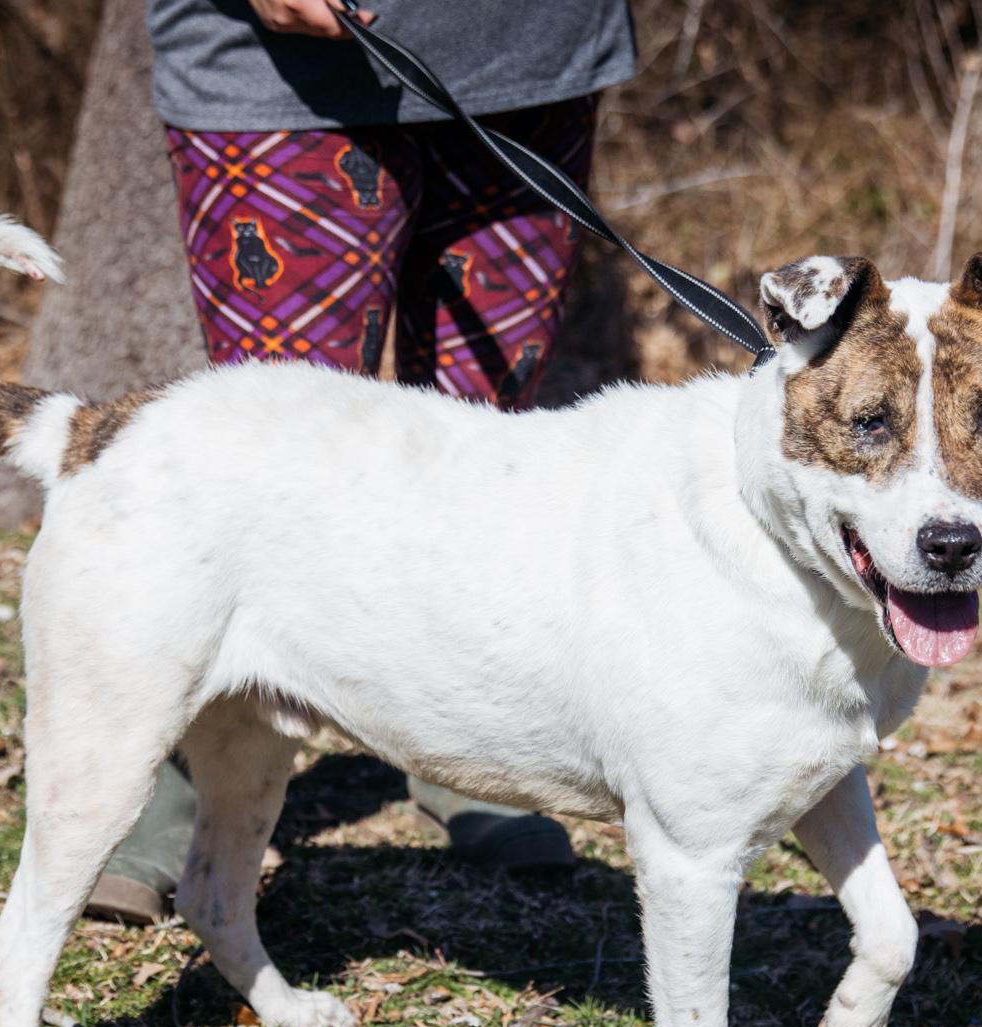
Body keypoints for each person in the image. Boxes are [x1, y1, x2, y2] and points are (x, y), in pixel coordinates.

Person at [86, 0, 639, 923]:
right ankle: (177, 763)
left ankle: (462, 739)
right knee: (271, 464)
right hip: (280, 71)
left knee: (484, 455)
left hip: (532, 56)